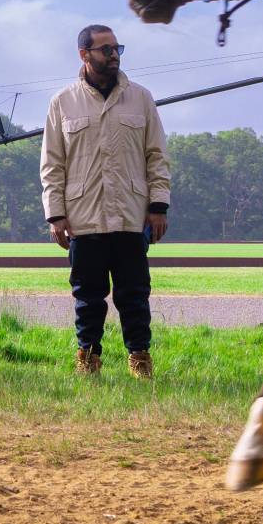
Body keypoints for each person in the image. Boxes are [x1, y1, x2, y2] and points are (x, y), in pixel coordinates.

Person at [40, 24, 170, 378]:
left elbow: (157, 155)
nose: (114, 56)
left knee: (135, 294)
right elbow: (52, 165)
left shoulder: (141, 98)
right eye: (105, 50)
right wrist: (56, 215)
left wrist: (158, 206)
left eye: (117, 49)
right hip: (84, 217)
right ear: (84, 55)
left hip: (131, 214)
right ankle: (88, 357)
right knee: (87, 296)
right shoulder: (62, 102)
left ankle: (140, 358)